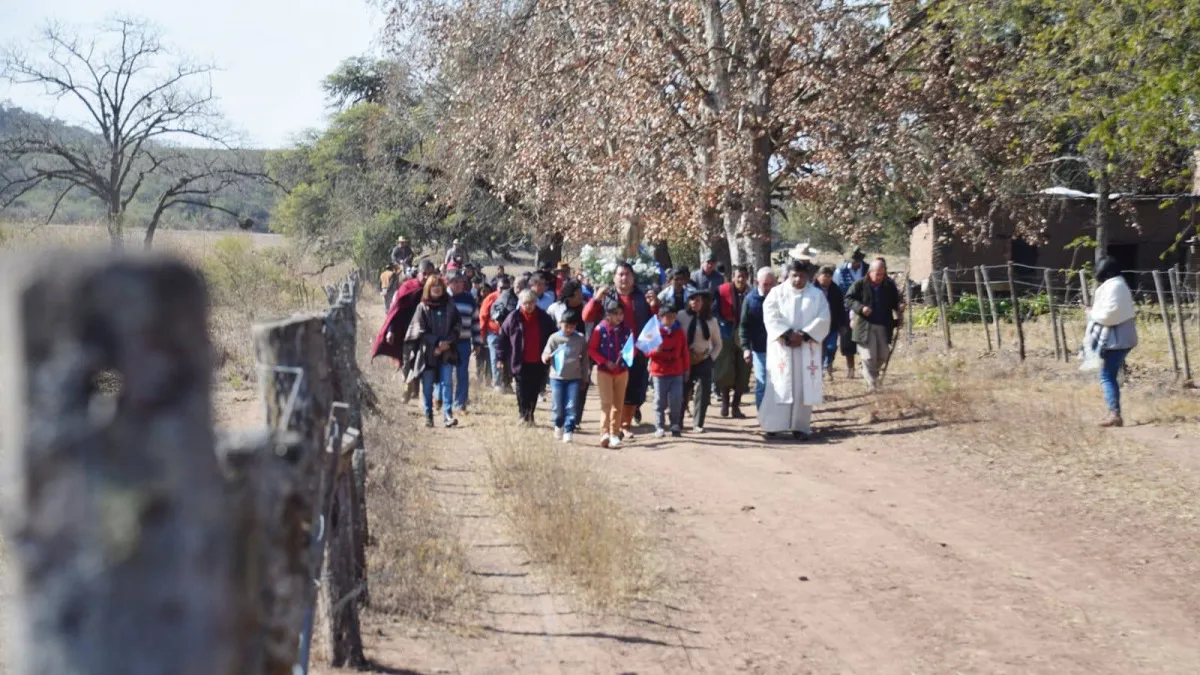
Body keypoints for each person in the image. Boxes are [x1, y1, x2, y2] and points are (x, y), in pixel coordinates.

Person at [759, 261, 831, 440]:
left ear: (808, 276)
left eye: (802, 276)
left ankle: (800, 427)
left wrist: (804, 335)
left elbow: (824, 318)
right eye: (794, 276)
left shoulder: (816, 295)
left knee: (801, 387)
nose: (798, 279)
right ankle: (773, 426)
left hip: (806, 349)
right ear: (788, 275)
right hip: (782, 347)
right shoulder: (776, 293)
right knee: (779, 384)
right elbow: (770, 316)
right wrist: (787, 334)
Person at [582, 261, 653, 437]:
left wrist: (654, 305)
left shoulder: (641, 297)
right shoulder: (606, 296)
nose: (624, 278)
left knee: (635, 389)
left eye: (627, 274)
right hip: (609, 353)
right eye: (620, 274)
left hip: (635, 350)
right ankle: (612, 427)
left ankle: (625, 425)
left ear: (633, 278)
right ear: (613, 277)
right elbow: (587, 316)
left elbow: (654, 320)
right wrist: (596, 299)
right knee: (612, 392)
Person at [371, 260, 437, 402]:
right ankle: (408, 386)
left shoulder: (435, 290)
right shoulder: (408, 287)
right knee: (406, 360)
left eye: (430, 274)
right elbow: (396, 311)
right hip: (406, 331)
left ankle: (417, 389)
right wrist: (391, 330)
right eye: (424, 274)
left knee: (423, 360)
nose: (426, 277)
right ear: (418, 273)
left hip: (426, 332)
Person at [403, 275, 462, 428]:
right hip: (427, 353)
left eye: (439, 286)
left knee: (447, 383)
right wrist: (436, 343)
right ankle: (428, 415)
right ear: (428, 289)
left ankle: (448, 415)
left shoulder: (450, 305)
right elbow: (419, 330)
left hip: (447, 351)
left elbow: (457, 325)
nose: (436, 288)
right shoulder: (422, 307)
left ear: (443, 288)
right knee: (427, 384)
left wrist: (447, 342)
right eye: (433, 286)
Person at [1086, 257, 1138, 427]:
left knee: (1107, 375)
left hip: (1118, 339)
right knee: (1109, 375)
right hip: (1119, 337)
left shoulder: (1116, 287)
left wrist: (1092, 313)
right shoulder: (1116, 285)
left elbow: (1110, 315)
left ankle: (1114, 414)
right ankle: (1112, 412)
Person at [496, 290, 556, 424]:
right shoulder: (513, 318)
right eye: (525, 303)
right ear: (521, 303)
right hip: (519, 360)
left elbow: (553, 337)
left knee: (534, 389)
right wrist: (500, 357)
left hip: (538, 360)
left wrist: (551, 354)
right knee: (521, 389)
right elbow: (502, 338)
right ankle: (523, 415)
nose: (528, 306)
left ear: (536, 303)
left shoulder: (544, 318)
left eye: (531, 302)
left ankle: (530, 415)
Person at [845, 258, 904, 392]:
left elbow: (895, 300)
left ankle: (868, 371)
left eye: (882, 274)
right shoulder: (860, 284)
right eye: (877, 274)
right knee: (869, 356)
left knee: (883, 355)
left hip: (884, 325)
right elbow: (848, 299)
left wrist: (899, 307)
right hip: (865, 326)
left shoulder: (888, 285)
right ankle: (872, 385)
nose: (879, 277)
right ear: (870, 272)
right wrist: (861, 308)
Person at [588, 298, 632, 448]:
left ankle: (614, 433)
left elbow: (632, 348)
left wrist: (627, 353)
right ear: (608, 314)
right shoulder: (599, 329)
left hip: (622, 371)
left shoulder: (626, 330)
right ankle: (604, 433)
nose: (619, 317)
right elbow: (592, 349)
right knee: (606, 403)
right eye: (615, 314)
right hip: (604, 372)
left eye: (621, 314)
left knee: (618, 404)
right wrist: (605, 362)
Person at [548, 280, 593, 423]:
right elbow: (549, 331)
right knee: (560, 385)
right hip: (561, 353)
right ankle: (559, 416)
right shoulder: (555, 308)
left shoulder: (587, 307)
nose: (582, 295)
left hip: (582, 351)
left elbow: (591, 328)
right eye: (579, 293)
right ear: (570, 295)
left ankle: (575, 418)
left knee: (581, 384)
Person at [678, 290, 722, 433]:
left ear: (705, 303)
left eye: (697, 301)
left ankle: (698, 423)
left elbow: (718, 344)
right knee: (682, 391)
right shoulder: (681, 316)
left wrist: (710, 358)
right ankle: (677, 422)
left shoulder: (712, 321)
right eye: (691, 300)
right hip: (684, 359)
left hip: (703, 359)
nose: (694, 303)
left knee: (703, 393)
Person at [542, 309, 588, 443]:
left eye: (572, 326)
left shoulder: (580, 339)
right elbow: (546, 353)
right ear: (560, 323)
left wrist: (584, 378)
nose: (569, 329)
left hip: (574, 378)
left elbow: (585, 360)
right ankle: (558, 424)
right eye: (566, 326)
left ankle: (569, 430)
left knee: (572, 405)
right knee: (557, 405)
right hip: (557, 378)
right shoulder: (554, 338)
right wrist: (546, 358)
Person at [647, 303, 690, 438]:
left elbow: (684, 352)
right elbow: (645, 350)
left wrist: (686, 368)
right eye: (667, 317)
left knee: (677, 399)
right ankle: (659, 426)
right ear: (660, 317)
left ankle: (675, 424)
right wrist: (655, 351)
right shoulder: (653, 331)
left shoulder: (679, 332)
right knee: (660, 400)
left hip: (676, 370)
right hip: (659, 371)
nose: (670, 320)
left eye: (673, 317)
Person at [715, 265, 752, 418]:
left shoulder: (751, 293)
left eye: (744, 276)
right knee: (725, 369)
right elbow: (714, 310)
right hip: (726, 334)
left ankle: (735, 406)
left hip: (745, 336)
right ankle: (725, 403)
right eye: (738, 276)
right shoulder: (722, 291)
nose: (741, 279)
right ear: (733, 277)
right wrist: (722, 322)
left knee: (743, 371)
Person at [740, 267, 776, 409]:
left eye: (771, 284)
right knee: (762, 383)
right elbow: (744, 326)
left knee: (778, 384)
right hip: (759, 348)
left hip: (778, 348)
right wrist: (745, 348)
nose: (768, 288)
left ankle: (776, 418)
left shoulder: (778, 298)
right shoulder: (750, 300)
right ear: (756, 282)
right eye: (764, 284)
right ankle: (763, 415)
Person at [448, 272, 482, 413]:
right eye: (455, 281)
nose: (458, 284)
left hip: (464, 342)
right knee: (446, 373)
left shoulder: (469, 299)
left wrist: (477, 341)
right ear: (449, 283)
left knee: (462, 373)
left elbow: (475, 320)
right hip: (446, 343)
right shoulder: (443, 297)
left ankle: (460, 404)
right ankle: (444, 401)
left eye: (461, 281)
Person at [835, 249, 867, 377]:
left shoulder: (867, 269)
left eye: (858, 261)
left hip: (864, 309)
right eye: (853, 261)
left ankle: (866, 367)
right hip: (845, 309)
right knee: (847, 340)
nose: (856, 264)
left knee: (866, 339)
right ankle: (850, 368)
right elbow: (837, 291)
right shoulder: (840, 271)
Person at [483, 276, 518, 392]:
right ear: (497, 287)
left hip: (509, 335)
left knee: (508, 358)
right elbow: (483, 316)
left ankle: (507, 382)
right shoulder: (491, 298)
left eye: (506, 288)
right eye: (501, 288)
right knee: (495, 358)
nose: (503, 290)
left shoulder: (514, 298)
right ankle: (497, 383)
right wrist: (482, 335)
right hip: (493, 333)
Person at [814, 265, 847, 378]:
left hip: (832, 325)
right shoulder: (811, 289)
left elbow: (841, 308)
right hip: (815, 325)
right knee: (818, 348)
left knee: (831, 347)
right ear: (818, 276)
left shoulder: (836, 290)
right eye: (825, 276)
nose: (827, 279)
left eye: (829, 276)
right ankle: (818, 369)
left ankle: (828, 365)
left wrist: (843, 324)